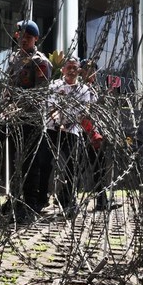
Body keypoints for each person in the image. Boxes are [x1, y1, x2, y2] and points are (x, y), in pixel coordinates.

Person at [0, 20, 52, 222]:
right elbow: (8, 88)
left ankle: (28, 204)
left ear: (35, 39)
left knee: (29, 163)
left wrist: (16, 109)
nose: (24, 40)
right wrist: (4, 106)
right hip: (11, 120)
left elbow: (39, 94)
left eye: (28, 37)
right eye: (21, 37)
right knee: (6, 160)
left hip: (31, 120)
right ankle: (13, 199)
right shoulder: (14, 60)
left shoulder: (41, 62)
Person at [46, 57, 96, 217]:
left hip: (72, 131)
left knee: (70, 167)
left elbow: (84, 111)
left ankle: (67, 200)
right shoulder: (55, 85)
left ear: (79, 71)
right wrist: (57, 121)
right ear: (63, 70)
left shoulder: (83, 90)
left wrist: (67, 124)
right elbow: (50, 105)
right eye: (69, 67)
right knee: (46, 163)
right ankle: (42, 198)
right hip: (52, 129)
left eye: (75, 67)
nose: (72, 70)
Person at [79, 59, 121, 211]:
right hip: (82, 133)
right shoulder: (79, 88)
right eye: (88, 70)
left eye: (94, 70)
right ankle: (65, 200)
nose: (92, 73)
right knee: (78, 167)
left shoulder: (93, 89)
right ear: (81, 71)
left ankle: (102, 201)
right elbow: (83, 113)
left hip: (92, 133)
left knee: (99, 166)